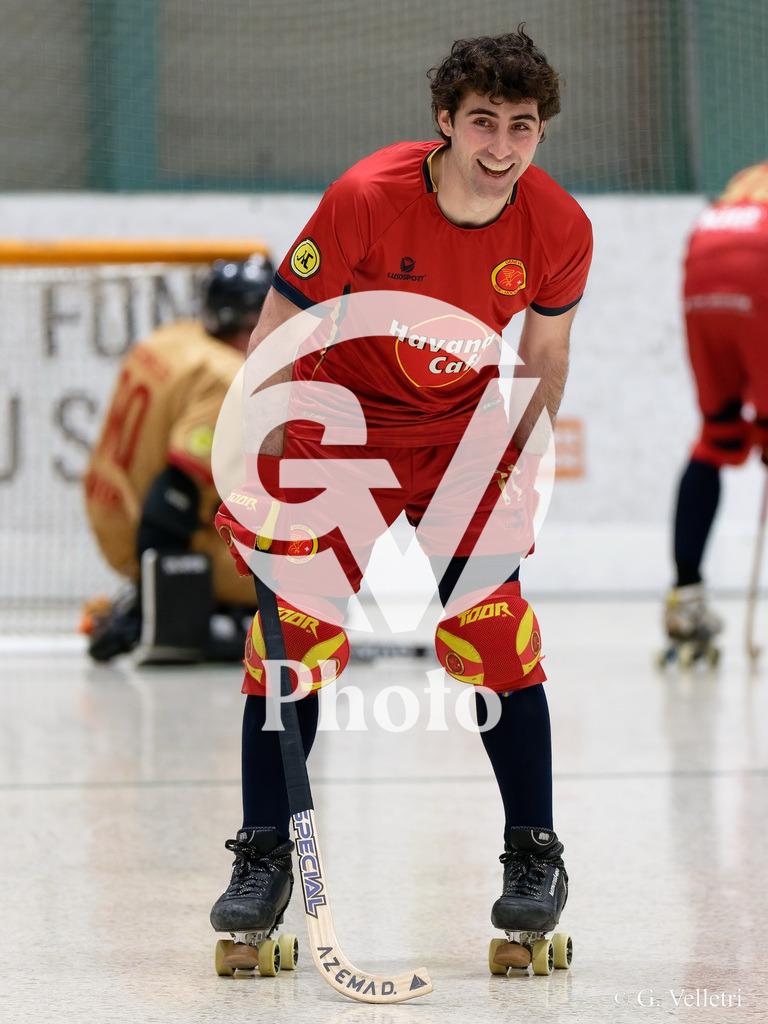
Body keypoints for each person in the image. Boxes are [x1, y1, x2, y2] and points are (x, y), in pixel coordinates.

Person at [209, 27, 593, 952]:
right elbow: (274, 336)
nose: (502, 148)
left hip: (460, 432)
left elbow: (543, 355)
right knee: (291, 637)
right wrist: (252, 469)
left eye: (523, 127)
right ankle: (263, 856)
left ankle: (534, 851)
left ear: (541, 132)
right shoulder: (365, 199)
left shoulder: (559, 228)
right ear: (444, 123)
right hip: (334, 424)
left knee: (494, 631)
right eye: (483, 123)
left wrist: (517, 460)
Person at [82, 254, 274, 664]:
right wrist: (153, 613)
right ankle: (170, 609)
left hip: (108, 506)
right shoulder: (229, 378)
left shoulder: (174, 338)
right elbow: (173, 497)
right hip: (144, 536)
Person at [664, 162, 768, 651]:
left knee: (715, 435)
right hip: (760, 258)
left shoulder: (748, 177)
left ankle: (685, 598)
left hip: (703, 258)